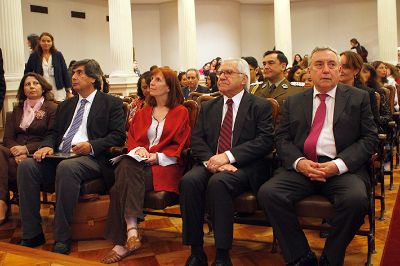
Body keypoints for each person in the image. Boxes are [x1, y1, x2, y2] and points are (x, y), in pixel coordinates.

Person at [257, 47, 378, 266]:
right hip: (303, 167)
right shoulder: (294, 102)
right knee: (269, 193)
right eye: (319, 65)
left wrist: (338, 165)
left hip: (342, 168)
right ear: (309, 71)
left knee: (356, 200)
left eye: (331, 65)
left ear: (339, 70)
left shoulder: (358, 98)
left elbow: (369, 138)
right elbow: (282, 138)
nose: (325, 70)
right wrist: (299, 162)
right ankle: (300, 256)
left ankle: (331, 258)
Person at [17, 59, 126, 254]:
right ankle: (32, 233)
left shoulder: (111, 103)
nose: (73, 77)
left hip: (91, 158)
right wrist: (47, 147)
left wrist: (91, 145)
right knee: (27, 166)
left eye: (79, 73)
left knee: (67, 168)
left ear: (93, 78)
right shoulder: (66, 105)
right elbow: (53, 133)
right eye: (73, 73)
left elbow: (118, 135)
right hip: (60, 155)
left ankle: (62, 237)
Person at [180, 58, 274, 266]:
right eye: (221, 72)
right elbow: (197, 140)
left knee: (219, 183)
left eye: (228, 72)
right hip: (211, 163)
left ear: (244, 79)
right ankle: (196, 251)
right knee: (189, 181)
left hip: (245, 166)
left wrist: (228, 157)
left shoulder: (260, 106)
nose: (221, 76)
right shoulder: (209, 106)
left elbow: (264, 141)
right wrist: (214, 162)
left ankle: (222, 254)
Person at [102, 67, 191, 264]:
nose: (151, 83)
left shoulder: (180, 112)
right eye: (151, 79)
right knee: (127, 161)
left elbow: (181, 145)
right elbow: (133, 140)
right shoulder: (143, 113)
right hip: (138, 165)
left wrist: (157, 157)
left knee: (118, 189)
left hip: (164, 167)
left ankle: (124, 240)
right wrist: (138, 151)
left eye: (158, 80)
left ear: (169, 86)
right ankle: (131, 231)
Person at [0, 73, 57, 225]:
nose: (31, 86)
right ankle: (1, 202)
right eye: (27, 84)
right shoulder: (16, 110)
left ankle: (2, 202)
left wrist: (26, 149)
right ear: (23, 89)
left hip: (37, 155)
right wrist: (16, 150)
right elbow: (7, 138)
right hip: (13, 155)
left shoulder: (52, 108)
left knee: (2, 165)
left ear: (43, 87)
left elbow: (51, 137)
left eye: (35, 83)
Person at [24, 32, 71, 101]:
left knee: (59, 108)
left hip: (57, 88)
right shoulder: (34, 56)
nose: (46, 43)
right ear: (39, 42)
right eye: (43, 41)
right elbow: (27, 73)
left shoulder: (58, 55)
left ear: (52, 42)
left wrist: (68, 90)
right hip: (41, 89)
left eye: (48, 41)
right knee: (44, 108)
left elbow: (65, 72)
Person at [359, 63, 392, 133]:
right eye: (360, 71)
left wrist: (372, 119)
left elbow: (387, 116)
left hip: (373, 127)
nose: (360, 74)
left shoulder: (377, 91)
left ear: (371, 75)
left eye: (364, 72)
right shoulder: (354, 90)